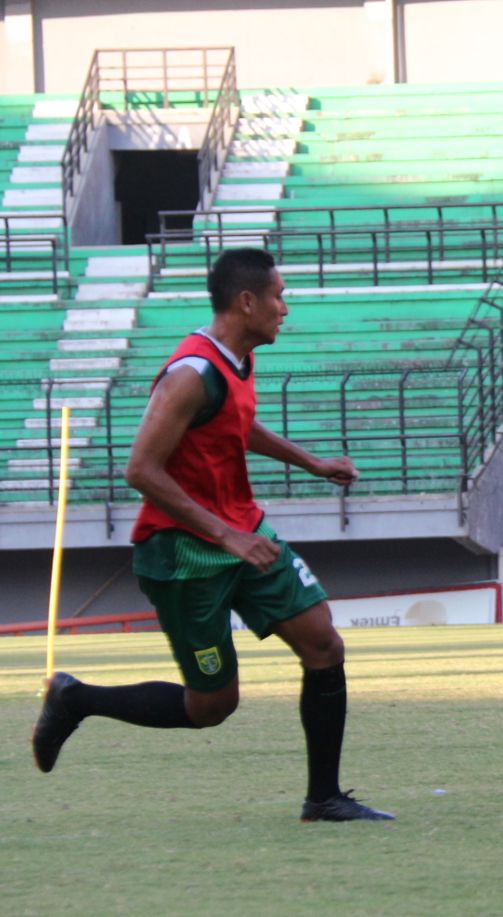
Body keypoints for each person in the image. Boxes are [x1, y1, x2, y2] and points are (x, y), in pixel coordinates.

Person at [31, 248, 393, 822]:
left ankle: (323, 799)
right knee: (212, 706)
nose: (285, 308)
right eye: (278, 296)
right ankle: (75, 698)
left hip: (243, 533)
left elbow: (238, 425)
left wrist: (314, 463)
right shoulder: (190, 374)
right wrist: (226, 537)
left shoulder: (235, 363)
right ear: (246, 302)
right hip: (184, 556)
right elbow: (140, 470)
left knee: (324, 644)